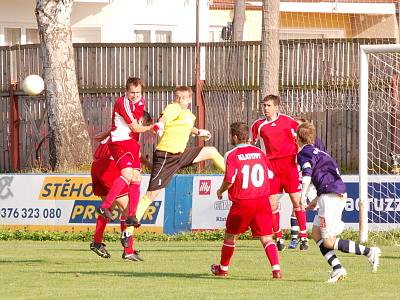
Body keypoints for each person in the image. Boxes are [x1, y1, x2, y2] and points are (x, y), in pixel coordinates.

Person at [122, 86, 226, 242]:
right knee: (151, 195)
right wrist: (161, 124)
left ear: (188, 99)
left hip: (180, 154)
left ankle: (233, 174)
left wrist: (199, 132)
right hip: (165, 156)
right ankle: (128, 230)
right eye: (176, 97)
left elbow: (186, 125)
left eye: (181, 98)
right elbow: (165, 118)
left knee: (211, 151)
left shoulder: (189, 115)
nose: (177, 100)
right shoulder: (172, 107)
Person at [297, 122, 381, 283]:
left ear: (297, 139)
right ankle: (337, 268)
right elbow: (330, 179)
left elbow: (306, 174)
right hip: (332, 195)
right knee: (316, 233)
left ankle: (369, 252)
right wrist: (316, 200)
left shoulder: (304, 154)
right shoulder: (322, 153)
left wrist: (302, 197)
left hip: (330, 199)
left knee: (328, 241)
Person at [210, 122, 281, 279]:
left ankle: (222, 269)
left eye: (231, 136)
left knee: (230, 236)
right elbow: (270, 175)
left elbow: (230, 179)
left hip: (243, 201)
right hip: (262, 200)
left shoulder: (232, 154)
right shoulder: (259, 152)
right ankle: (276, 270)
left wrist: (220, 190)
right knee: (267, 237)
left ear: (235, 136)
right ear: (247, 135)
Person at [89, 111, 153, 262]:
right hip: (109, 168)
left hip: (97, 166)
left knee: (108, 209)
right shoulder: (130, 133)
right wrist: (148, 164)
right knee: (128, 210)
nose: (140, 126)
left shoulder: (118, 128)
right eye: (141, 123)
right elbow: (134, 155)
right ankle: (128, 250)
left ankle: (97, 242)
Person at [251, 95, 308, 251]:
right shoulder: (258, 125)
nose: (266, 108)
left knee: (297, 201)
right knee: (272, 203)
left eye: (269, 105)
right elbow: (253, 145)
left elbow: (303, 138)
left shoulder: (288, 121)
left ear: (276, 107)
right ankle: (279, 238)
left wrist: (302, 156)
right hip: (271, 168)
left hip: (289, 165)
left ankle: (304, 238)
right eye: (264, 105)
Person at [97, 77, 155, 229]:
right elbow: (135, 128)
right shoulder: (122, 103)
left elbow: (121, 124)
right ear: (126, 91)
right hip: (120, 142)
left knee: (137, 178)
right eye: (131, 92)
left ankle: (131, 216)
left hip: (131, 144)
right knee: (128, 175)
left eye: (137, 92)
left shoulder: (141, 102)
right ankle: (106, 205)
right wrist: (153, 127)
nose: (135, 95)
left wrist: (104, 134)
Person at [288, 116, 326, 249]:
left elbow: (322, 157)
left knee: (320, 205)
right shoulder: (291, 143)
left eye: (298, 127)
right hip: (298, 177)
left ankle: (324, 232)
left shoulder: (316, 143)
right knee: (296, 207)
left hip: (312, 179)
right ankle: (296, 239)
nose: (295, 130)